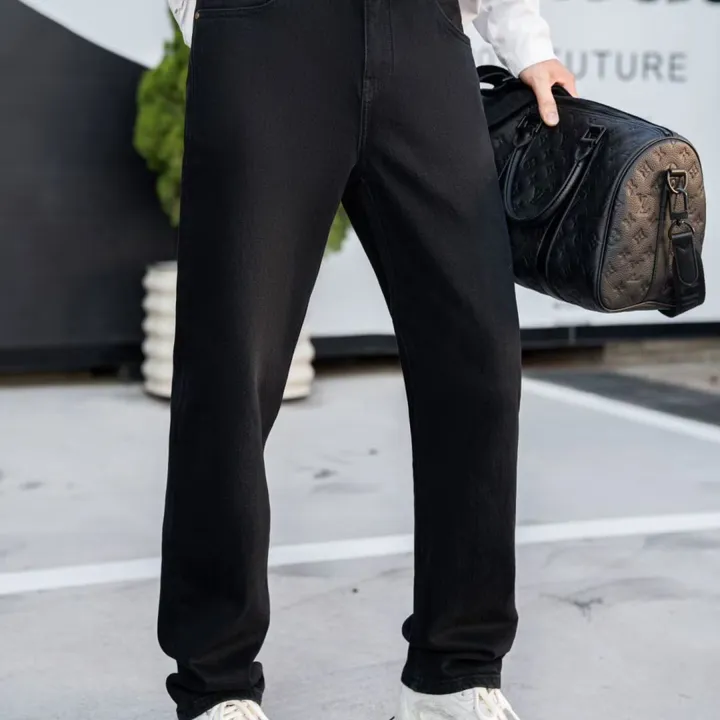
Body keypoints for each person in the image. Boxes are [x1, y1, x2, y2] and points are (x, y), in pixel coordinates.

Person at [159, 1, 576, 719]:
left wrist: (527, 41)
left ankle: (454, 673)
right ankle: (215, 683)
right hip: (271, 34)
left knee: (477, 357)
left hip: (424, 37)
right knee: (232, 365)